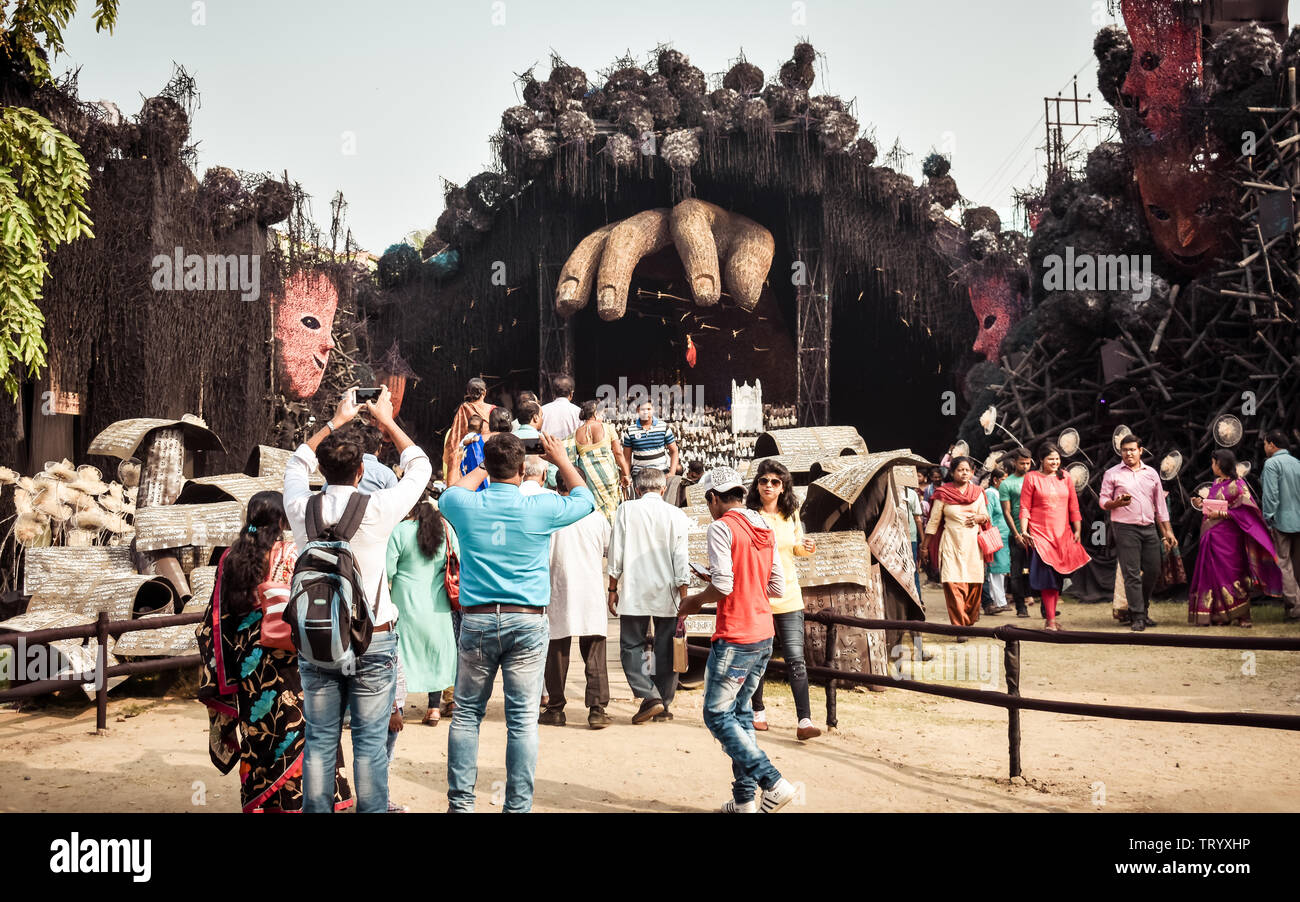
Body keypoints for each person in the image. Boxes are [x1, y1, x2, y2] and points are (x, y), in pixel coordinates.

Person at [283, 386, 432, 813]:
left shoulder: (300, 507)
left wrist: (336, 420)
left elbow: (296, 461)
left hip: (317, 640)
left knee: (319, 741)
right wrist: (385, 420)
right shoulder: (381, 507)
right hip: (374, 639)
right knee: (369, 744)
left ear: (323, 471)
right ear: (360, 473)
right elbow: (418, 466)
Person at [438, 432, 595, 813]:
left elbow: (448, 495)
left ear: (488, 467)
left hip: (476, 620)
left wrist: (481, 464)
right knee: (522, 721)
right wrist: (560, 458)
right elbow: (586, 499)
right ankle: (517, 807)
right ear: (523, 469)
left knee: (467, 714)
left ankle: (460, 805)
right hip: (526, 621)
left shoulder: (465, 504)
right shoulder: (541, 506)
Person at [196, 491, 353, 812]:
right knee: (299, 730)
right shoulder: (294, 552)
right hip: (290, 663)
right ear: (282, 520)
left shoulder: (230, 558)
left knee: (259, 734)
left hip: (249, 667)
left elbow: (216, 618)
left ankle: (265, 803)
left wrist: (224, 672)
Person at [679, 466, 798, 814]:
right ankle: (745, 799)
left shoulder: (720, 527)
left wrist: (695, 600)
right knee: (741, 714)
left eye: (710, 502)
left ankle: (773, 782)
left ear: (714, 499)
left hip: (735, 636)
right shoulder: (763, 525)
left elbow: (726, 586)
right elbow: (775, 586)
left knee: (716, 714)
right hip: (763, 634)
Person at [608, 467, 692, 724]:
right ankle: (662, 703)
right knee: (666, 649)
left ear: (637, 487)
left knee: (633, 646)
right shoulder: (676, 515)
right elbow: (681, 558)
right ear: (663, 488)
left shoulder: (625, 510)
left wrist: (612, 588)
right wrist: (684, 594)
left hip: (635, 589)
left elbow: (616, 554)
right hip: (668, 592)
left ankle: (648, 694)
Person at [745, 460, 820, 741]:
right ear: (757, 485)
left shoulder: (791, 513)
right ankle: (758, 713)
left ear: (783, 486)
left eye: (775, 482)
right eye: (764, 481)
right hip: (758, 596)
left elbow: (796, 547)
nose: (768, 486)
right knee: (758, 659)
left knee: (796, 659)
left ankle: (804, 720)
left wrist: (806, 548)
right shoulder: (748, 515)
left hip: (789, 595)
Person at [542, 482, 613, 728]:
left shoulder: (551, 514)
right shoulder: (595, 516)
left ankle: (555, 708)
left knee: (556, 654)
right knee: (594, 653)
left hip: (557, 590)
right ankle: (597, 709)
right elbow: (608, 551)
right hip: (590, 592)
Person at [1188, 450, 1283, 627]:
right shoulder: (1216, 483)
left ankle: (1242, 616)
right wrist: (1201, 503)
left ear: (1220, 464)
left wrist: (1223, 513)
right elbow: (1213, 503)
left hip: (1230, 539)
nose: (1212, 466)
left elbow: (1247, 510)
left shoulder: (1238, 484)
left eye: (1213, 462)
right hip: (1211, 536)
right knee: (1212, 573)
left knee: (1234, 573)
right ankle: (1218, 615)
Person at [386, 495, 457, 727]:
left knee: (402, 656)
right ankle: (434, 708)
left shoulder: (401, 531)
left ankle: (399, 708)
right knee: (435, 654)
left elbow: (388, 569)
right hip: (437, 606)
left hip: (404, 604)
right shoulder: (446, 530)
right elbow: (457, 559)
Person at [1099, 434, 1177, 631]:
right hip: (1125, 528)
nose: (1129, 453)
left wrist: (1168, 531)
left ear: (1140, 451)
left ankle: (1141, 609)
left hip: (1149, 527)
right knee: (1131, 573)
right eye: (1125, 450)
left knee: (1153, 570)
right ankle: (1139, 616)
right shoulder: (1112, 473)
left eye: (1132, 449)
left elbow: (1160, 506)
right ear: (1121, 452)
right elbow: (1103, 501)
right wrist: (1116, 503)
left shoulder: (1151, 473)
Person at [1020, 442, 1092, 632]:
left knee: (1059, 577)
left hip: (1062, 534)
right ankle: (1050, 620)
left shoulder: (1066, 477)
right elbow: (1025, 506)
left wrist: (1077, 529)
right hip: (1040, 533)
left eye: (1057, 459)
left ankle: (1051, 617)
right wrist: (1024, 530)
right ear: (1041, 460)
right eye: (1050, 459)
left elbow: (1073, 505)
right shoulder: (1031, 477)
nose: (1054, 462)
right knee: (1048, 578)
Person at [921, 457, 991, 630]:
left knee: (974, 583)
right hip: (951, 542)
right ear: (952, 472)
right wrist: (924, 547)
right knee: (952, 583)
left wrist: (979, 517)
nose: (964, 473)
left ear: (973, 472)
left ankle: (969, 621)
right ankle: (959, 627)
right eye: (960, 470)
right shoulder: (943, 493)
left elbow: (985, 516)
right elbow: (933, 521)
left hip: (973, 545)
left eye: (967, 470)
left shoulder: (978, 492)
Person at [1262, 429, 1300, 622]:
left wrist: (1268, 518)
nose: (1264, 448)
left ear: (1272, 445)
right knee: (1298, 564)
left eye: (1265, 444)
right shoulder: (1297, 463)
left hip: (1281, 522)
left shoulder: (1271, 464)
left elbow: (1271, 495)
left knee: (1284, 564)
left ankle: (1294, 609)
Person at [572, 400, 627, 524]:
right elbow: (618, 453)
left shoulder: (576, 433)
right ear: (596, 414)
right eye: (602, 413)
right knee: (611, 508)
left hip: (588, 478)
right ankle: (610, 534)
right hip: (608, 476)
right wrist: (626, 474)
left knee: (594, 507)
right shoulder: (608, 428)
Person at [999, 448, 1034, 617]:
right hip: (1017, 534)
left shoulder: (1036, 479)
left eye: (1028, 463)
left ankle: (1045, 608)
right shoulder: (1007, 484)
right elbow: (1006, 512)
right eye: (1022, 463)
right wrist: (1016, 534)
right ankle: (1021, 607)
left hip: (1037, 532)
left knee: (1040, 569)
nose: (1026, 466)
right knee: (1017, 572)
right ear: (1015, 463)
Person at [442, 377, 495, 482]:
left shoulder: (464, 409)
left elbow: (455, 439)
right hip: (488, 456)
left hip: (467, 456)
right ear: (484, 392)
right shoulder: (493, 410)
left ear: (468, 392)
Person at [621, 399, 680, 482]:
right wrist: (626, 475)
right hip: (639, 476)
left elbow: (674, 451)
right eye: (642, 409)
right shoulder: (630, 430)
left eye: (648, 409)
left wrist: (672, 472)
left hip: (661, 474)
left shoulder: (663, 427)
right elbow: (626, 458)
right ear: (637, 411)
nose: (646, 412)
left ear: (653, 410)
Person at [983, 468, 1012, 615]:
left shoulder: (1001, 493)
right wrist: (990, 534)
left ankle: (1000, 600)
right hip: (996, 536)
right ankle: (998, 601)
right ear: (995, 480)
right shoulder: (990, 493)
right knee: (995, 570)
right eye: (1003, 480)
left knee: (1002, 569)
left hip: (1005, 536)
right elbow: (988, 516)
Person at [540, 374, 582, 439]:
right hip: (569, 449)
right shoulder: (578, 411)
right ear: (571, 393)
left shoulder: (542, 410)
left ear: (553, 394)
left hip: (546, 448)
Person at [904, 472, 924, 602]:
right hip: (907, 537)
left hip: (910, 537)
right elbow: (917, 518)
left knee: (912, 569)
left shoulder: (911, 494)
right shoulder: (911, 494)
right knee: (912, 569)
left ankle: (917, 600)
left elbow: (917, 518)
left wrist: (922, 539)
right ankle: (917, 600)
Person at [458, 415, 487, 490]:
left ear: (467, 428)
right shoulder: (472, 438)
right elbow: (464, 443)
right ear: (481, 429)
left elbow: (460, 448)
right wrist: (472, 440)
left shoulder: (472, 437)